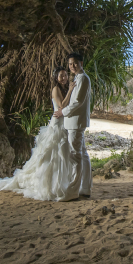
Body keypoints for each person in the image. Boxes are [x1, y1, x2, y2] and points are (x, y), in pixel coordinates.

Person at [0, 66, 80, 201]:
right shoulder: (56, 89)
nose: (64, 78)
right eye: (61, 75)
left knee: (63, 153)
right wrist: (71, 91)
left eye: (65, 75)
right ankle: (51, 185)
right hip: (57, 124)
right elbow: (62, 106)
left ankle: (63, 183)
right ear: (56, 78)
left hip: (65, 123)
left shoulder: (65, 89)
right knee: (54, 153)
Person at [53, 52, 93, 199]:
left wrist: (62, 112)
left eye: (75, 63)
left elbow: (77, 102)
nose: (72, 66)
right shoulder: (78, 78)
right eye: (70, 64)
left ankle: (72, 192)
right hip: (75, 121)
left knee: (75, 156)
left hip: (75, 122)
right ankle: (85, 188)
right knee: (82, 154)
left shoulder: (83, 79)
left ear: (81, 63)